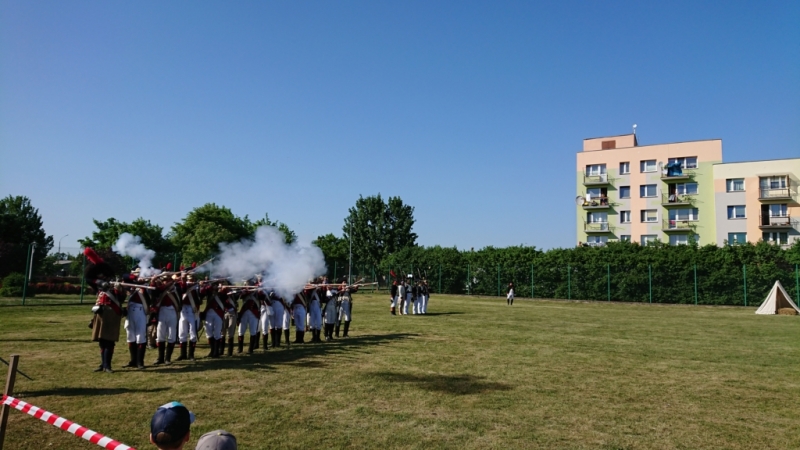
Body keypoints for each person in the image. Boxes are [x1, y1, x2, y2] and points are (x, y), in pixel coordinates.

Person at [84, 248, 122, 373]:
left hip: (112, 313)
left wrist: (118, 289)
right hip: (101, 313)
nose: (102, 278)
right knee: (101, 340)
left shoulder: (115, 285)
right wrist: (99, 282)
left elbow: (120, 299)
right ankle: (103, 364)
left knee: (109, 340)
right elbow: (90, 280)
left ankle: (108, 365)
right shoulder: (99, 287)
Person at [151, 276, 182, 365]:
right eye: (164, 280)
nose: (165, 282)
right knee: (160, 336)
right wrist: (153, 281)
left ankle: (167, 358)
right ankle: (160, 358)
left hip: (172, 312)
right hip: (162, 311)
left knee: (172, 336)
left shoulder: (176, 288)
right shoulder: (161, 289)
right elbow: (154, 291)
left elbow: (182, 288)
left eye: (167, 280)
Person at [122, 276, 151, 369]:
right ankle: (133, 360)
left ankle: (140, 362)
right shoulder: (131, 285)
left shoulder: (146, 287)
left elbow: (150, 299)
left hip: (141, 312)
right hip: (130, 311)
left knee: (140, 337)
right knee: (130, 336)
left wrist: (144, 288)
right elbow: (125, 278)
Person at [177, 274, 203, 361]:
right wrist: (183, 281)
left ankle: (191, 355)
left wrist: (201, 286)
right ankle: (183, 354)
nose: (190, 281)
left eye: (191, 279)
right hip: (183, 310)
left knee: (193, 333)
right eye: (188, 279)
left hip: (193, 311)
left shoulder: (197, 287)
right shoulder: (182, 285)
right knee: (182, 333)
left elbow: (201, 295)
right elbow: (181, 289)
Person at [237, 290, 259, 354]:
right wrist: (247, 291)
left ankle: (251, 349)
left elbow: (262, 297)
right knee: (240, 331)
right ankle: (240, 348)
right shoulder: (244, 290)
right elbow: (240, 296)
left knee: (253, 331)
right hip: (244, 312)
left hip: (254, 313)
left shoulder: (257, 290)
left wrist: (259, 291)